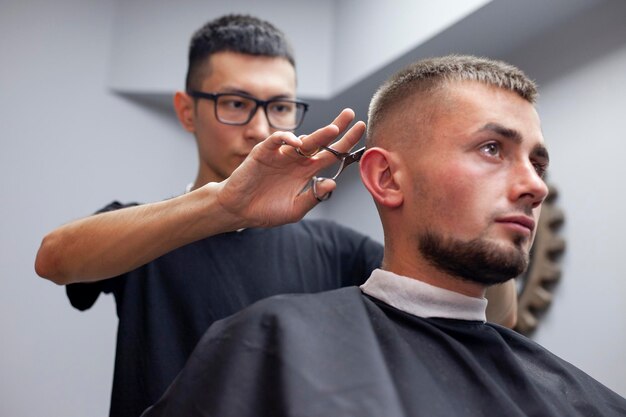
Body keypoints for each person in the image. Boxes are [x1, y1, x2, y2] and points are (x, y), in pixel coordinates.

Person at [34, 15, 517, 417]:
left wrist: (480, 203)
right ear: (187, 111)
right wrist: (224, 206)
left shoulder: (337, 251)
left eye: (281, 107)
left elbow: (494, 316)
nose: (261, 129)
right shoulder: (144, 230)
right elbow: (54, 259)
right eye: (237, 104)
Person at [141, 55, 626, 417]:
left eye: (538, 163)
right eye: (493, 148)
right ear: (387, 179)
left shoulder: (592, 402)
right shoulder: (271, 346)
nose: (535, 186)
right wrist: (224, 206)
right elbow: (59, 255)